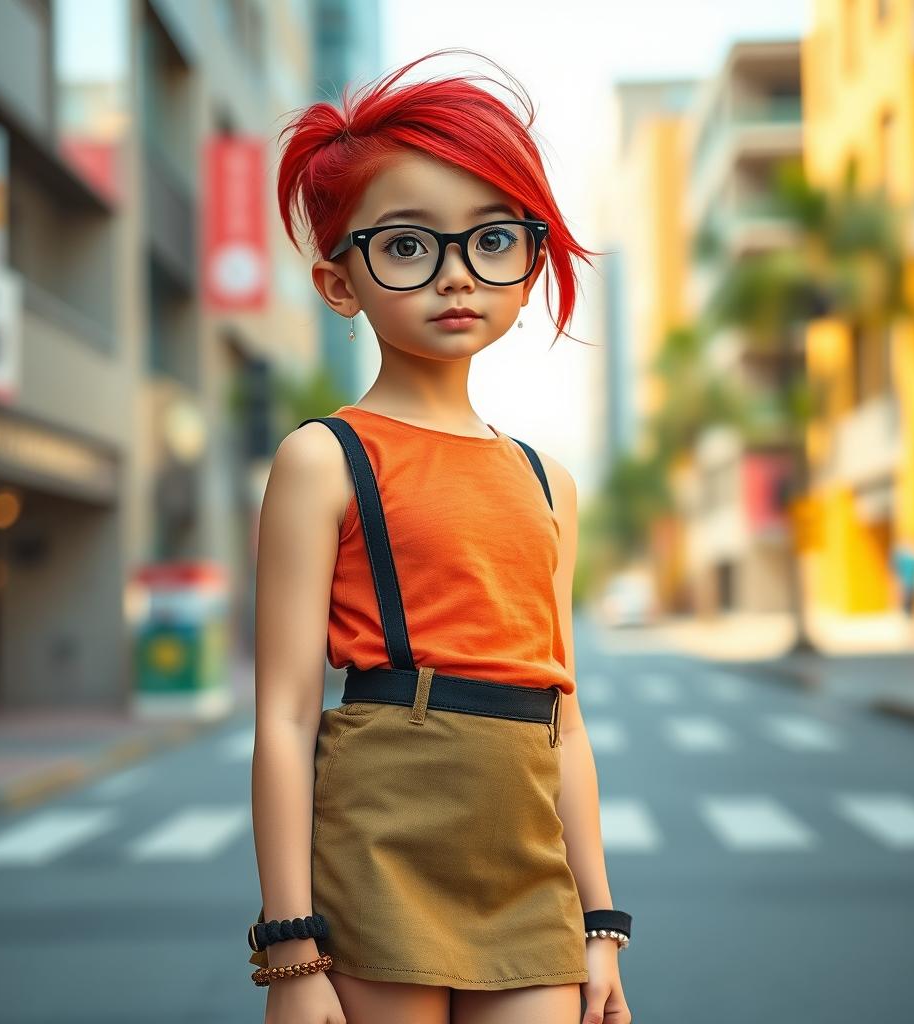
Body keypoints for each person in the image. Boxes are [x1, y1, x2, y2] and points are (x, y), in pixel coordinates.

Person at [248, 48, 633, 1024]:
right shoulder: (323, 458)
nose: (458, 276)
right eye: (409, 246)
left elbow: (567, 718)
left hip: (525, 860)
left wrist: (600, 922)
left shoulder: (549, 480)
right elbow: (287, 717)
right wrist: (291, 950)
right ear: (341, 283)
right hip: (384, 830)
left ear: (529, 258)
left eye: (490, 240)